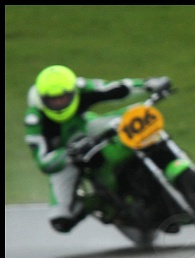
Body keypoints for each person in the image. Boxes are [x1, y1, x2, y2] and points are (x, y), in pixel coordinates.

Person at [24, 65, 172, 233]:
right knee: (61, 219)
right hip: (64, 156)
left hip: (86, 128)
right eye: (53, 100)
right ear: (42, 100)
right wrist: (69, 153)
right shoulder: (34, 120)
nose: (59, 103)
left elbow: (116, 89)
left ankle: (154, 161)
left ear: (72, 92)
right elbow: (43, 161)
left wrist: (149, 84)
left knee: (130, 123)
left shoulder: (81, 87)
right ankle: (97, 202)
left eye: (63, 98)